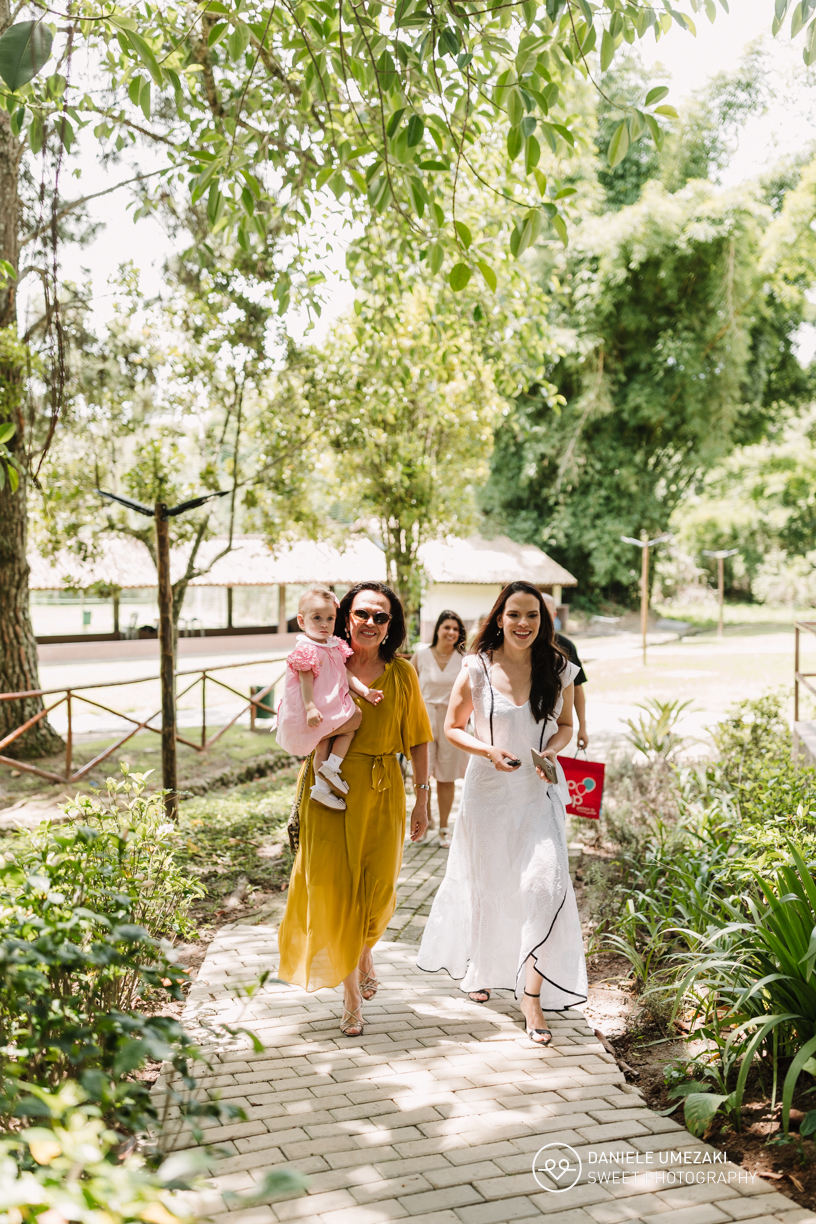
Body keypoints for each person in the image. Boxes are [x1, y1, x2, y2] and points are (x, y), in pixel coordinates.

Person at [417, 580, 587, 1046]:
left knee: (542, 885)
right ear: (498, 618)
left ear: (543, 620)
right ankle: (485, 966)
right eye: (514, 614)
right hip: (488, 791)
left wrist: (550, 751)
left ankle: (531, 995)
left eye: (532, 615)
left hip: (538, 791)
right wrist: (487, 750)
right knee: (489, 886)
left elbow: (566, 725)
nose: (523, 623)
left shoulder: (559, 667)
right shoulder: (474, 667)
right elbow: (452, 728)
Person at [277, 581, 433, 1038]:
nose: (369, 622)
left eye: (380, 617)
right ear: (346, 617)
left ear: (390, 627)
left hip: (384, 789)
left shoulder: (402, 674)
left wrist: (423, 797)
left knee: (380, 891)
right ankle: (350, 1000)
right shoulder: (328, 660)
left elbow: (420, 736)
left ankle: (365, 951)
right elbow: (295, 702)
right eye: (362, 613)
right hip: (330, 787)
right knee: (335, 891)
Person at [275, 585, 383, 810]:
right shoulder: (307, 649)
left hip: (332, 703)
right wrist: (310, 707)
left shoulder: (334, 646)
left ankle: (326, 777)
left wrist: (365, 692)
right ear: (302, 621)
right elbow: (305, 681)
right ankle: (326, 780)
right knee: (340, 731)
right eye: (317, 618)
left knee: (337, 735)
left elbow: (345, 673)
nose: (324, 624)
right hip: (316, 706)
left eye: (330, 618)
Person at [411, 610, 469, 847]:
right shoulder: (421, 655)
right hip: (422, 721)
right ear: (437, 629)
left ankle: (444, 827)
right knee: (421, 775)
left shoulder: (464, 659)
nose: (451, 632)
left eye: (455, 629)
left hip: (452, 724)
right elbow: (409, 688)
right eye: (447, 627)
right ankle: (425, 820)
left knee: (446, 777)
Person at [543, 592, 589, 750]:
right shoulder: (519, 646)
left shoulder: (565, 647)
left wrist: (582, 727)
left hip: (558, 729)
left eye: (545, 613)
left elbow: (577, 688)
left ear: (554, 615)